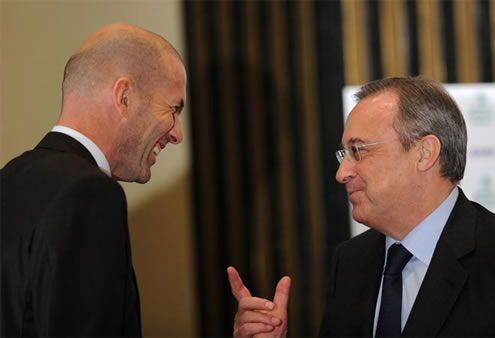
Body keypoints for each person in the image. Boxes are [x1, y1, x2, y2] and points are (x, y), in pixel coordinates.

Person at [228, 77, 495, 337]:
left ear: (424, 153)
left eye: (357, 151)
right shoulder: (351, 261)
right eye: (343, 154)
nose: (341, 173)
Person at [0, 23, 186, 337]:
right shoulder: (89, 195)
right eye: (173, 109)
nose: (177, 134)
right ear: (124, 97)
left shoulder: (9, 179)